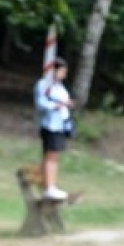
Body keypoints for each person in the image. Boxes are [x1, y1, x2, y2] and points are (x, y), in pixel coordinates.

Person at [33, 59, 76, 200]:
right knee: (51, 156)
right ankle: (49, 187)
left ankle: (48, 184)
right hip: (50, 125)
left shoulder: (59, 86)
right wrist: (56, 105)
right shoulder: (44, 85)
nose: (64, 74)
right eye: (62, 71)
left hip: (60, 124)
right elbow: (41, 103)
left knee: (53, 156)